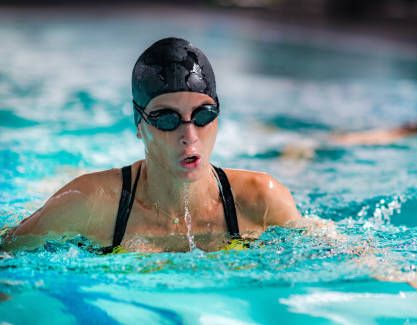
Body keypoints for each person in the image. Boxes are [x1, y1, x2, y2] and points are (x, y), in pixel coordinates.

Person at [1, 37, 302, 253]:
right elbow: (7, 252)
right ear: (139, 124)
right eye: (167, 119)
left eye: (203, 115)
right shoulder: (89, 203)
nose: (190, 135)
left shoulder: (262, 201)